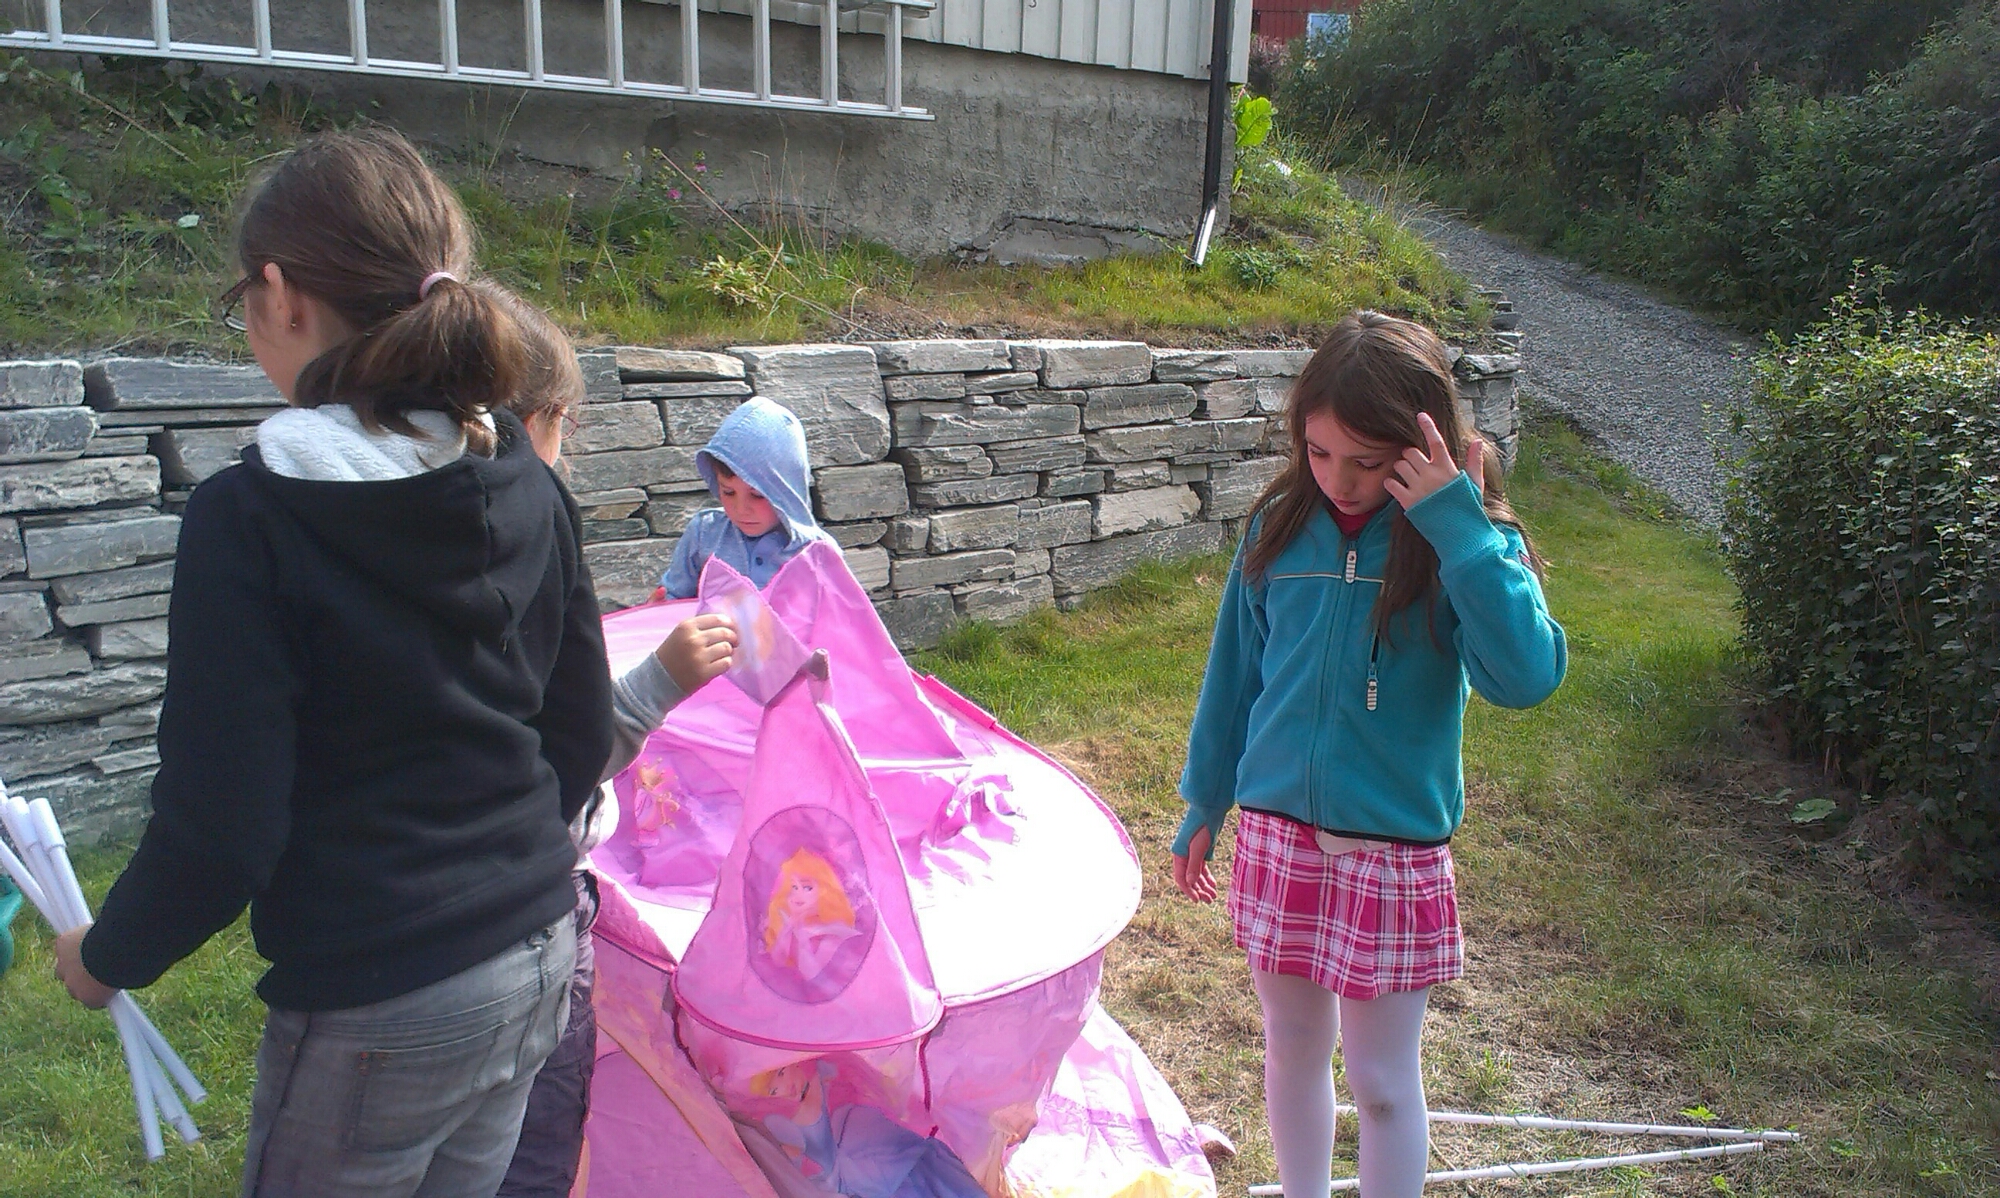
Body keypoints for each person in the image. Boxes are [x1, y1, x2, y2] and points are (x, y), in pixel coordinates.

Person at [50, 127, 615, 1198]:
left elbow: (223, 825)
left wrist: (106, 955)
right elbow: (580, 732)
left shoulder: (253, 518)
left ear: (280, 293)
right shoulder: (525, 478)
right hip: (541, 949)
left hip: (380, 1004)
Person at [1169, 312, 1567, 1198]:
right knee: (1291, 1049)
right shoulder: (1277, 528)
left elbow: (1526, 677)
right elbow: (1234, 677)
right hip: (1278, 837)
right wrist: (1205, 798)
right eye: (1319, 452)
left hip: (1394, 851)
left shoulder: (1465, 543)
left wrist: (1460, 530)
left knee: (1383, 1084)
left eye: (1367, 460)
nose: (1339, 480)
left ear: (1425, 444)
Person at [482, 284, 739, 1198]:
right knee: (530, 1145)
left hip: (376, 957)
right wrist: (660, 679)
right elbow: (571, 750)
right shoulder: (535, 534)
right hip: (526, 922)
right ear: (543, 421)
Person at [657, 395, 837, 598]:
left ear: (788, 491)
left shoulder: (818, 551)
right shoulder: (704, 532)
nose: (741, 509)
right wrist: (660, 606)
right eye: (728, 492)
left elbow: (839, 614)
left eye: (758, 495)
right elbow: (673, 598)